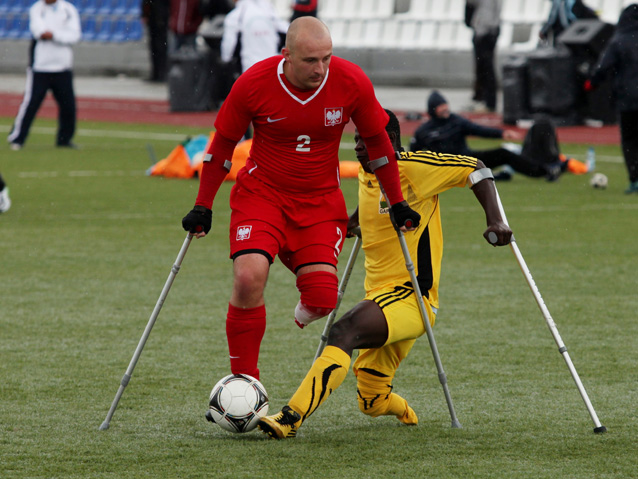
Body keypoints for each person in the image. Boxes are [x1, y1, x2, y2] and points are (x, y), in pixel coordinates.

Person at [182, 17, 421, 386]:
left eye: (326, 58)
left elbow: (378, 141)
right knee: (248, 278)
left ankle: (295, 282)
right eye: (311, 60)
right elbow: (222, 147)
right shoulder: (253, 83)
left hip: (320, 203)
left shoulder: (350, 80)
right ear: (286, 56)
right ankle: (245, 382)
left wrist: (398, 201)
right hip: (262, 196)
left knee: (324, 299)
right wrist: (203, 204)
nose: (320, 68)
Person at [256, 109, 513, 439]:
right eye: (356, 141)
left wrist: (496, 220)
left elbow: (477, 170)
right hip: (379, 299)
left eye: (366, 141)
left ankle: (290, 418)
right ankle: (402, 408)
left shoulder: (411, 168)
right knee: (371, 401)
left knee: (343, 330)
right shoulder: (368, 174)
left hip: (413, 297)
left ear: (389, 141)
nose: (359, 148)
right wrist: (350, 223)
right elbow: (372, 202)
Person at [410, 91, 563, 181]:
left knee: (504, 154)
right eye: (441, 106)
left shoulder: (456, 121)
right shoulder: (423, 131)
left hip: (468, 161)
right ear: (433, 109)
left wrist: (502, 133)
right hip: (445, 169)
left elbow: (478, 129)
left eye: (445, 105)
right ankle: (492, 176)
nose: (445, 108)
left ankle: (543, 171)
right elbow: (413, 155)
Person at [7, 0, 81, 150]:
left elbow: (74, 35)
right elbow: (39, 31)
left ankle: (64, 140)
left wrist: (53, 35)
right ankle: (18, 138)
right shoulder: (37, 9)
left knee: (68, 106)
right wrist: (59, 35)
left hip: (63, 66)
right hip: (41, 67)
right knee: (31, 104)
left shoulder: (68, 9)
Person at [587, 4, 638, 194]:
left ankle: (635, 179)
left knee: (630, 140)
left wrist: (592, 82)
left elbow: (604, 65)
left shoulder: (620, 39)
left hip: (627, 99)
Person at [220, 0, 289, 74]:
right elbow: (287, 30)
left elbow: (228, 45)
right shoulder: (270, 12)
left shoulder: (235, 16)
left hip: (249, 68)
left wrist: (225, 59)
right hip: (272, 67)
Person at [465, 0, 502, 113]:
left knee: (486, 68)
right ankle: (484, 100)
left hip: (485, 30)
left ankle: (488, 102)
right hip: (491, 29)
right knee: (485, 67)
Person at [141, 0, 170, 82]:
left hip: (161, 19)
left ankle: (162, 74)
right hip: (153, 18)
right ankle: (155, 73)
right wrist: (144, 14)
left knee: (161, 48)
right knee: (154, 48)